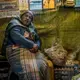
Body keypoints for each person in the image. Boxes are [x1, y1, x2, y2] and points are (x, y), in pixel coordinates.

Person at [2, 10, 52, 80]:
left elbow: (37, 39)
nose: (28, 18)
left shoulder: (31, 27)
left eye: (30, 17)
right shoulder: (14, 24)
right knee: (31, 68)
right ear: (21, 16)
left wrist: (37, 46)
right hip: (16, 50)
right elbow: (17, 38)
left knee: (43, 65)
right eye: (26, 16)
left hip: (31, 50)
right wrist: (32, 45)